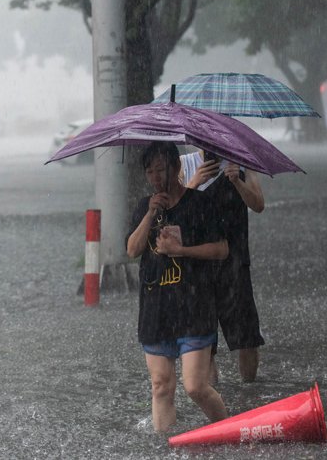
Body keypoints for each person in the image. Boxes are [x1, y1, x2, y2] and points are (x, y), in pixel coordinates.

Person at [126, 141, 229, 433]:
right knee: (161, 386)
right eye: (150, 172)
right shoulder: (143, 208)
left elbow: (221, 249)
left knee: (195, 386)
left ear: (177, 166)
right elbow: (132, 250)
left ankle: (231, 432)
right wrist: (149, 214)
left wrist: (181, 251)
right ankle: (165, 448)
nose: (157, 178)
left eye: (161, 170)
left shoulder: (200, 204)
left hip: (194, 308)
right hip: (156, 311)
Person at [181, 149, 265, 383]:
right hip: (197, 268)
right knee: (204, 345)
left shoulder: (243, 161)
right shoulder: (185, 164)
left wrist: (237, 181)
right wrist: (194, 182)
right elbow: (174, 215)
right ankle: (216, 405)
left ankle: (249, 395)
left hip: (236, 265)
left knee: (247, 338)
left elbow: (258, 204)